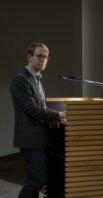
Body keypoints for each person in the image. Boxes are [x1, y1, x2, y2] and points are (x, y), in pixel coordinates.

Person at [10, 43, 66, 198]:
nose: (43, 59)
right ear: (29, 57)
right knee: (38, 178)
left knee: (32, 178)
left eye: (46, 57)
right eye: (40, 56)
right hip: (29, 138)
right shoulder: (20, 80)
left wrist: (50, 119)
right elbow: (31, 108)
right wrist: (57, 115)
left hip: (40, 137)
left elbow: (41, 107)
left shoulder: (37, 80)